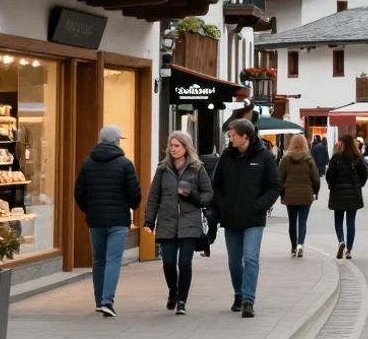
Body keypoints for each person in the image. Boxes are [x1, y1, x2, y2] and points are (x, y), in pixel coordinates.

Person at [211, 118, 283, 319]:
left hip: (253, 219)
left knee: (250, 257)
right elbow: (216, 186)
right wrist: (223, 205)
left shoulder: (265, 157)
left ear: (245, 137)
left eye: (233, 135)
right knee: (234, 262)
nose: (230, 138)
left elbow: (275, 187)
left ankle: (248, 300)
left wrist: (258, 206)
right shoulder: (226, 156)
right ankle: (238, 293)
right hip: (231, 218)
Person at [74, 124, 141, 318]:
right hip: (118, 219)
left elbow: (79, 193)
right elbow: (134, 194)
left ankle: (98, 301)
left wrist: (90, 210)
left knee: (98, 260)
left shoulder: (87, 163)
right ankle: (107, 302)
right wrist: (129, 207)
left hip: (95, 220)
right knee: (113, 260)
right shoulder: (125, 164)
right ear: (116, 141)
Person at [143, 130, 212, 315]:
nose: (172, 149)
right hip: (166, 223)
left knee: (184, 263)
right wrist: (149, 221)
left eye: (177, 146)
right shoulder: (162, 169)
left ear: (186, 147)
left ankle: (182, 300)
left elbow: (208, 196)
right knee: (168, 263)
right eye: (171, 146)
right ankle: (173, 291)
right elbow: (153, 197)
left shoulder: (197, 168)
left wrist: (193, 194)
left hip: (190, 222)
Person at [325, 137, 368, 259]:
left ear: (342, 144)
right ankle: (349, 250)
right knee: (351, 222)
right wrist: (358, 184)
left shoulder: (336, 158)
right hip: (353, 194)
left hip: (338, 193)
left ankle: (341, 241)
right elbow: (364, 174)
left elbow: (329, 176)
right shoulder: (357, 158)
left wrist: (332, 186)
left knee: (338, 220)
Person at [278, 134, 320, 258]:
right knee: (302, 221)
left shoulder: (285, 160)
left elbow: (279, 178)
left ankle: (293, 246)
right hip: (306, 194)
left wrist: (282, 193)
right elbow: (316, 179)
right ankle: (301, 244)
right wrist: (315, 192)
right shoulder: (309, 159)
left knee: (292, 222)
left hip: (290, 194)